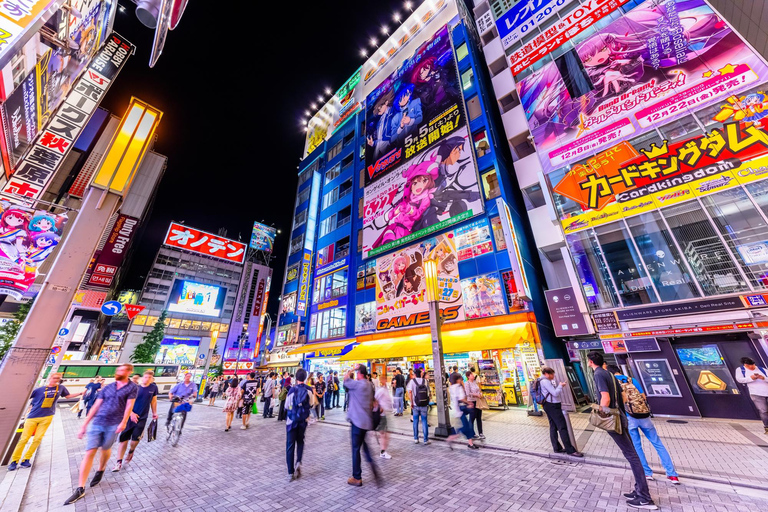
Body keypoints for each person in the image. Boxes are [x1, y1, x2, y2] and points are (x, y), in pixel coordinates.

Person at [587, 352, 657, 510]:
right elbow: (624, 397)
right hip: (622, 417)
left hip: (613, 420)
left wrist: (602, 414)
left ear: (590, 362)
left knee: (631, 456)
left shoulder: (598, 374)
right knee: (632, 453)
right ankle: (639, 489)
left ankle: (645, 498)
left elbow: (605, 398)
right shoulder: (610, 374)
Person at [65, 364, 137, 505]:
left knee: (105, 449)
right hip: (98, 422)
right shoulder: (108, 388)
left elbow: (129, 405)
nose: (119, 372)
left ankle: (101, 469)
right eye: (118, 370)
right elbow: (96, 406)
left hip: (113, 424)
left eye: (122, 370)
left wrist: (123, 422)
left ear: (129, 372)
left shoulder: (132, 387)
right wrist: (85, 424)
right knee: (90, 452)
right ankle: (80, 488)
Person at [607, 365, 678, 483]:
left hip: (629, 417)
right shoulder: (632, 380)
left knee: (637, 446)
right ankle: (672, 474)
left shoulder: (615, 382)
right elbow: (643, 396)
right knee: (657, 443)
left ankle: (647, 473)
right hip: (643, 415)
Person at [8, 372, 82, 471]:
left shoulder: (61, 388)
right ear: (50, 378)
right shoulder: (39, 390)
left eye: (59, 378)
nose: (57, 380)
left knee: (38, 439)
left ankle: (26, 459)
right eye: (55, 378)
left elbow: (68, 396)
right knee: (24, 439)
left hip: (47, 417)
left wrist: (81, 393)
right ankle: (14, 461)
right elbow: (24, 398)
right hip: (32, 417)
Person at [112, 370, 158, 472]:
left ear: (152, 379)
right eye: (145, 377)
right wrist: (131, 413)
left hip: (142, 418)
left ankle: (131, 451)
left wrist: (155, 413)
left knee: (134, 440)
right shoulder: (135, 388)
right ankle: (118, 462)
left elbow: (153, 401)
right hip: (128, 417)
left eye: (149, 378)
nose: (147, 379)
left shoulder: (153, 388)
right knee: (124, 440)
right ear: (142, 378)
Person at [344, 365, 380, 486]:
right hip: (366, 422)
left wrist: (351, 369)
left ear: (359, 373)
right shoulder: (370, 385)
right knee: (364, 446)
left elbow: (345, 379)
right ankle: (372, 464)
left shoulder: (357, 384)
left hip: (356, 421)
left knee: (355, 449)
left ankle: (357, 477)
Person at [539, 367, 582, 457]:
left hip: (548, 405)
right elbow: (555, 393)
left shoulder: (543, 380)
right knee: (562, 427)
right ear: (547, 374)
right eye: (552, 374)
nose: (553, 376)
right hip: (552, 406)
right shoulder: (545, 381)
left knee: (553, 426)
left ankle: (557, 447)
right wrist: (560, 386)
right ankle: (570, 450)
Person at [286, 369, 312, 482]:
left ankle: (290, 472)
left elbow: (287, 406)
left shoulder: (292, 390)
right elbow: (311, 404)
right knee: (301, 441)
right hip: (303, 421)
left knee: (290, 445)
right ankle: (298, 462)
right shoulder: (309, 390)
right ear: (305, 378)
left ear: (296, 378)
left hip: (291, 421)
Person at [735, 356, 768, 434]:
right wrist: (751, 378)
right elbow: (740, 380)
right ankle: (767, 427)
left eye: (753, 365)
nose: (752, 367)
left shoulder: (762, 369)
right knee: (764, 411)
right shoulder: (740, 370)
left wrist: (763, 378)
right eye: (749, 366)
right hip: (756, 394)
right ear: (745, 365)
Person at [446, 374, 478, 450]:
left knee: (467, 426)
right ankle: (451, 437)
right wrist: (468, 403)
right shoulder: (458, 387)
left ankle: (470, 443)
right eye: (461, 379)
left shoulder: (451, 387)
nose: (462, 381)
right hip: (461, 409)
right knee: (465, 427)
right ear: (457, 380)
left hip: (457, 409)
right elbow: (461, 398)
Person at [407, 368, 431, 445]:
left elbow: (410, 392)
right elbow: (429, 393)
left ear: (414, 374)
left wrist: (411, 402)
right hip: (424, 404)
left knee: (415, 421)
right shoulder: (425, 381)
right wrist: (428, 401)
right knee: (424, 421)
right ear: (420, 374)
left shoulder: (412, 381)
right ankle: (425, 440)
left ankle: (416, 438)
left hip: (415, 404)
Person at [374, 374, 393, 459]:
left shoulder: (385, 389)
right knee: (383, 434)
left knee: (385, 434)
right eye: (385, 379)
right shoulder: (381, 390)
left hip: (386, 414)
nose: (387, 380)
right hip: (382, 415)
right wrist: (380, 408)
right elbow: (374, 399)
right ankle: (383, 451)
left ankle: (383, 450)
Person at [464, 371, 487, 441]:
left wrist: (480, 394)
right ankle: (472, 433)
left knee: (479, 417)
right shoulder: (467, 383)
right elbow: (468, 393)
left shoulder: (474, 382)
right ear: (468, 376)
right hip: (472, 402)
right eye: (471, 375)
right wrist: (476, 395)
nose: (473, 376)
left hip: (478, 401)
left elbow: (478, 389)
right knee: (472, 418)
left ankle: (481, 433)